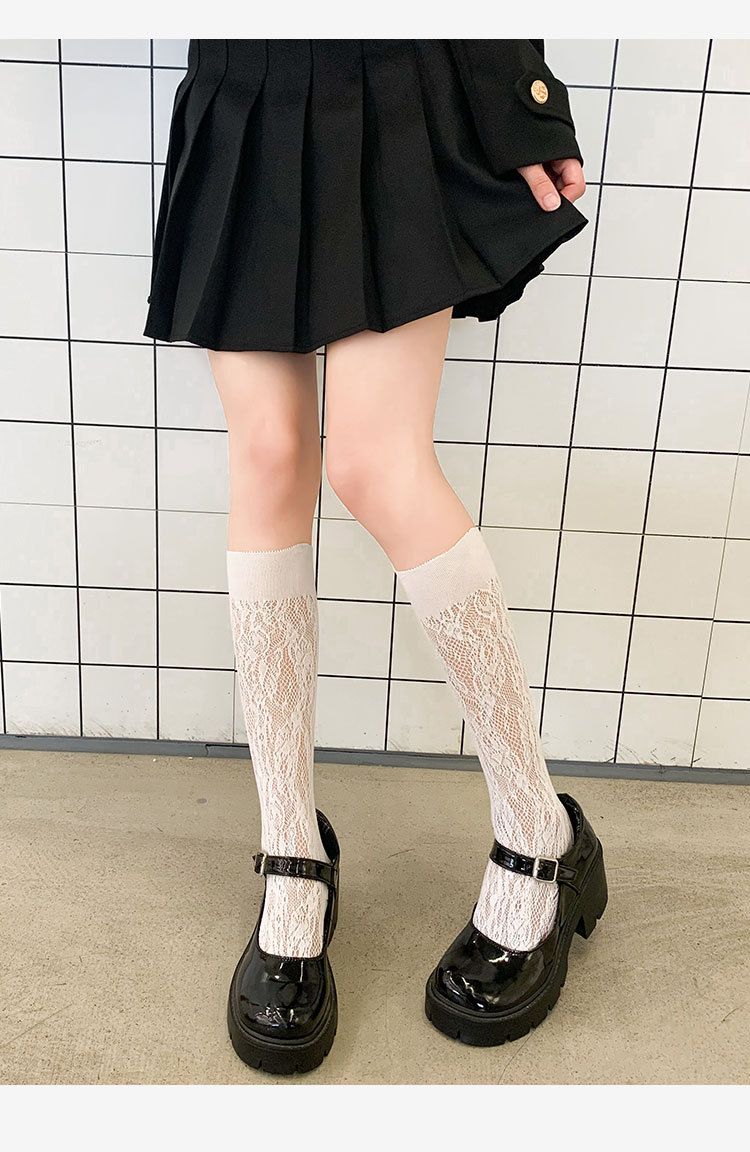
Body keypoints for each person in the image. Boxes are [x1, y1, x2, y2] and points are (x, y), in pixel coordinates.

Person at [145, 39, 608, 1075]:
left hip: (392, 81)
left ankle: (543, 833)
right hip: (249, 89)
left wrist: (520, 99)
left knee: (376, 463)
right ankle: (291, 850)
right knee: (268, 452)